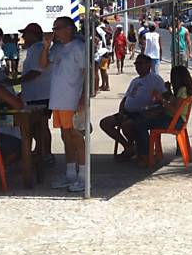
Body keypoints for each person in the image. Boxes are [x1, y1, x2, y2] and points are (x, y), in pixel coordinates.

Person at [40, 17, 88, 192]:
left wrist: (83, 98)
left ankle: (83, 176)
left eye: (57, 28)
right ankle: (70, 174)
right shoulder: (57, 48)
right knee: (65, 136)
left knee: (76, 137)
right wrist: (46, 46)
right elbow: (43, 65)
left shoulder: (79, 48)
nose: (55, 31)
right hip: (58, 100)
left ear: (68, 29)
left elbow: (87, 73)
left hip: (72, 99)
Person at [99, 53, 166, 165]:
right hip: (126, 112)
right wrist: (121, 111)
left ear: (148, 65)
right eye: (136, 64)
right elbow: (125, 98)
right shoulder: (135, 81)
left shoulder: (155, 79)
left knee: (127, 125)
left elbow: (164, 96)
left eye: (140, 64)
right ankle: (128, 147)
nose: (137, 66)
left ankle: (137, 150)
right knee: (105, 123)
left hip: (140, 113)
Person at [130, 65, 192, 167]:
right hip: (177, 120)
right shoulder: (185, 89)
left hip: (174, 121)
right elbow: (174, 102)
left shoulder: (182, 90)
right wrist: (168, 91)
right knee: (144, 119)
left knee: (140, 125)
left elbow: (175, 110)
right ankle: (148, 153)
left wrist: (161, 99)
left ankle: (145, 155)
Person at [13, 22, 52, 164]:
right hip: (35, 94)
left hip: (40, 95)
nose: (23, 37)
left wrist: (15, 82)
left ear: (33, 35)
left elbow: (36, 71)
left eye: (25, 34)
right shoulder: (34, 49)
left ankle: (46, 154)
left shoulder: (37, 49)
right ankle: (41, 151)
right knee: (37, 126)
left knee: (41, 126)